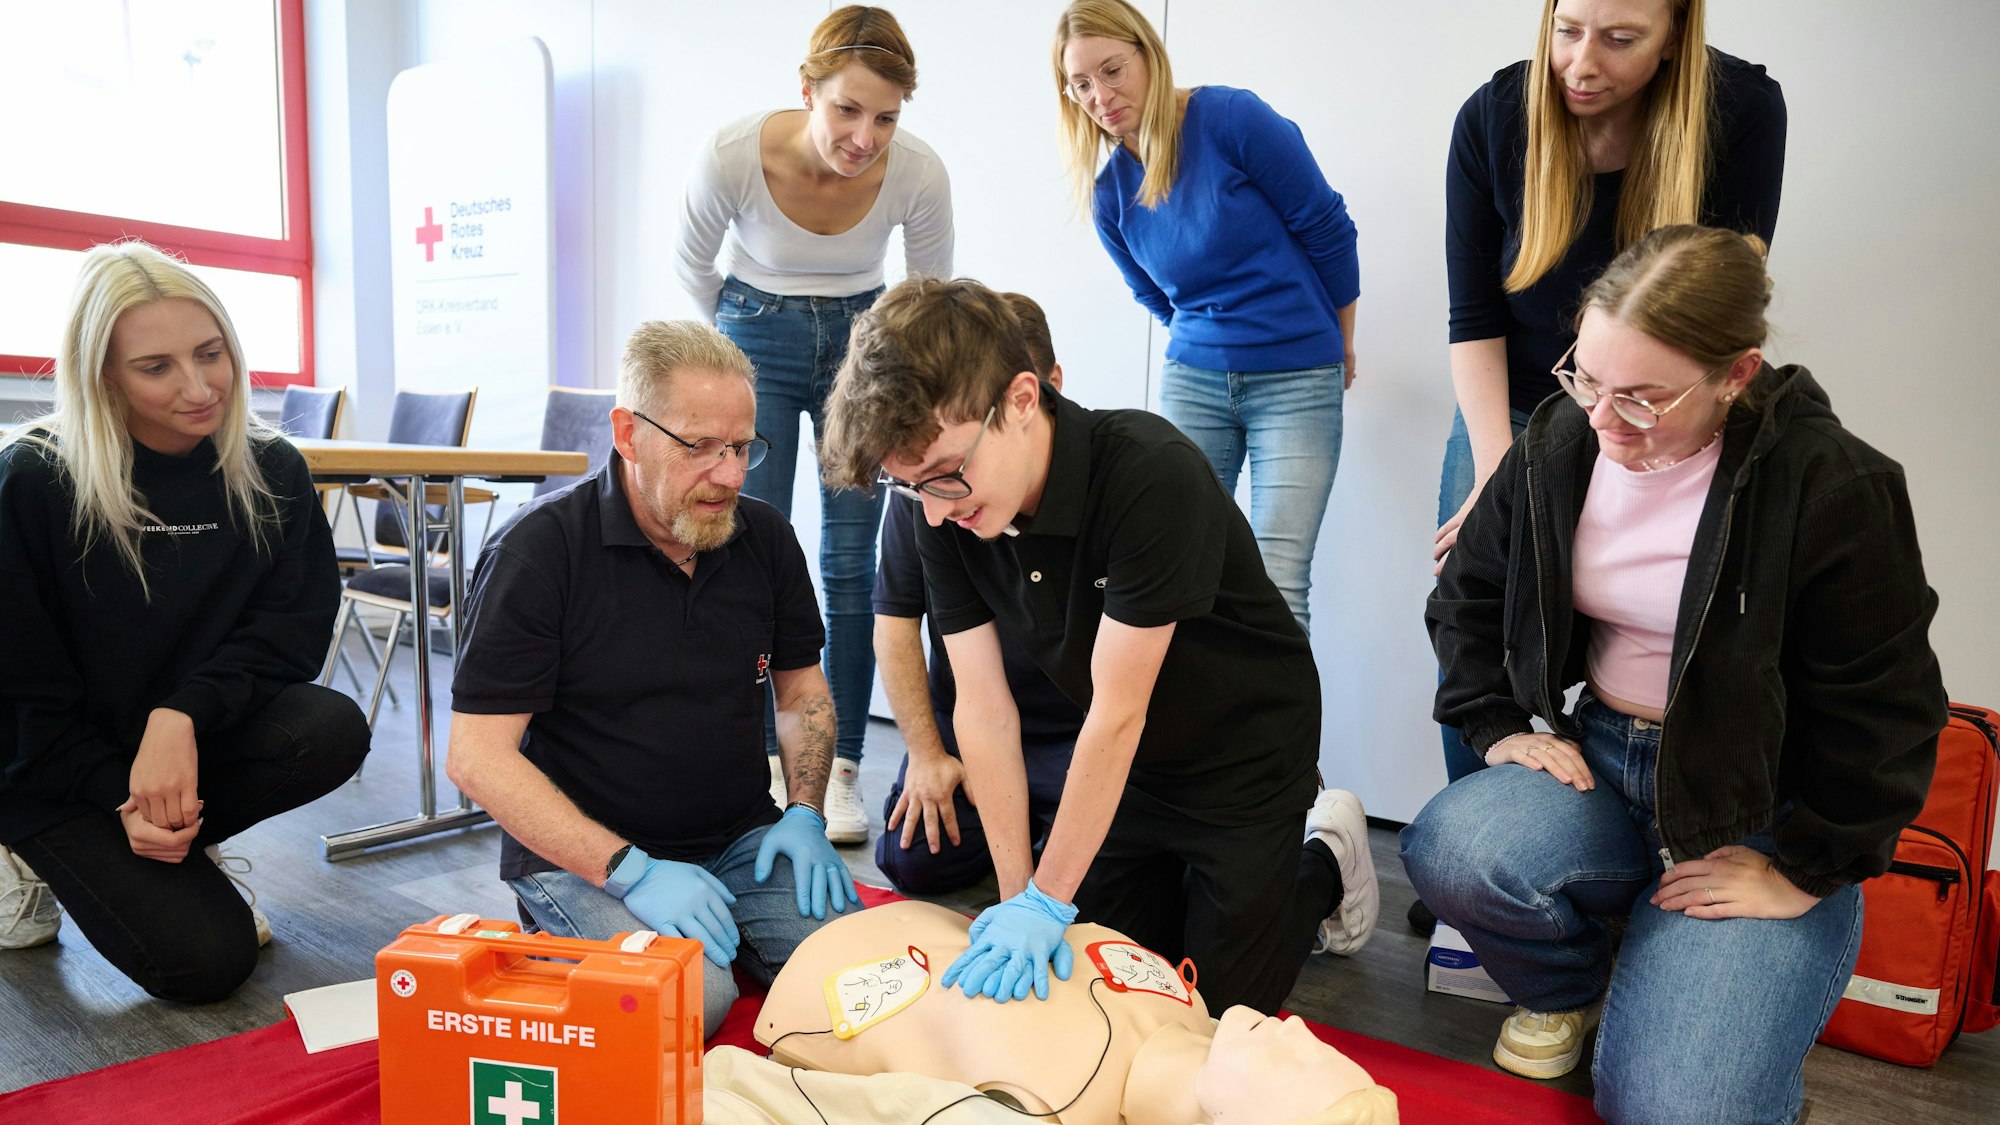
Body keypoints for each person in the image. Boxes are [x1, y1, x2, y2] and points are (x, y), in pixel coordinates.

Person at [1404, 226, 1946, 1119]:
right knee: (1453, 846)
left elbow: (1891, 711)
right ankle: (1578, 985)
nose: (1606, 419)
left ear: (1737, 374)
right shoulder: (1560, 443)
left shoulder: (1833, 484)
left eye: (1645, 399)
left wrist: (1806, 871)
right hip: (1609, 763)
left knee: (1677, 1107)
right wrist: (1495, 722)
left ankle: (1702, 991)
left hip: (1758, 810)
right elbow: (1469, 593)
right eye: (1589, 380)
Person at [821, 277, 1377, 1018]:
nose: (935, 507)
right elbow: (984, 713)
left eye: (948, 474)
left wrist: (1049, 897)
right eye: (910, 486)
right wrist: (1022, 896)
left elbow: (1118, 711)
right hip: (1136, 770)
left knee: (1210, 1007)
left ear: (1021, 400)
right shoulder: (941, 511)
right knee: (1101, 984)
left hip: (1243, 753)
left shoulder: (1150, 473)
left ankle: (1326, 858)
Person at [445, 320, 861, 1036]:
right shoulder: (540, 552)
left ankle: (686, 937)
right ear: (627, 433)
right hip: (586, 852)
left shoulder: (764, 538)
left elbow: (801, 690)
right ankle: (564, 939)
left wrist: (804, 811)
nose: (730, 473)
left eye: (740, 447)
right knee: (690, 1000)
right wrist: (629, 869)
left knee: (856, 975)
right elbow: (476, 757)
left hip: (738, 838)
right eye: (699, 445)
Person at [0, 241, 369, 1002]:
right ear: (103, 372)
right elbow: (21, 695)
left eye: (211, 353)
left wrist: (181, 716)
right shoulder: (33, 480)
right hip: (49, 764)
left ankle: (175, 834)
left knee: (327, 726)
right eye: (156, 366)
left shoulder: (271, 469)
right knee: (205, 963)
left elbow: (289, 633)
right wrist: (119, 790)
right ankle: (23, 851)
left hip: (179, 741)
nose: (200, 387)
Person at [1433, 0, 1785, 785]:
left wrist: (1642, 424)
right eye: (1567, 31)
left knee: (1664, 623)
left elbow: (1722, 301)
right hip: (1519, 406)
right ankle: (1482, 839)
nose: (1582, 65)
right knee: (1481, 626)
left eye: (1622, 40)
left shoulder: (1743, 111)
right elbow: (1473, 319)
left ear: (1672, 39)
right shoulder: (1494, 118)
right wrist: (1500, 469)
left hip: (1664, 416)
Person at [676, 4, 954, 844]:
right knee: (747, 545)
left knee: (848, 562)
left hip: (865, 338)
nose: (864, 136)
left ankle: (837, 771)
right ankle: (760, 761)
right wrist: (738, 336)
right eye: (846, 109)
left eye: (886, 117)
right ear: (807, 91)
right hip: (754, 326)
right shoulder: (732, 154)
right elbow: (694, 267)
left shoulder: (918, 172)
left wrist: (896, 375)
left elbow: (928, 297)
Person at [1054, 0, 1359, 630]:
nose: (1101, 95)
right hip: (1194, 382)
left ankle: (1277, 731)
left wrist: (1341, 342)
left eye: (1112, 70)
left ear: (1147, 54)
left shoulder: (1229, 118)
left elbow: (1327, 228)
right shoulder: (1111, 192)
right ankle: (1208, 727)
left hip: (1298, 376)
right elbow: (1154, 297)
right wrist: (1208, 341)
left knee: (1277, 577)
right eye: (1081, 84)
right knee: (1186, 569)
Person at [696, 899, 1398, 1124]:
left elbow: (762, 1091)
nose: (1301, 1027)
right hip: (932, 926)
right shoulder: (1196, 1012)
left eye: (1304, 1063)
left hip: (824, 992)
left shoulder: (1038, 1107)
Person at [871, 292, 1084, 895]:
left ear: (1037, 395)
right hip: (972, 723)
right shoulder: (930, 498)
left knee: (1096, 885)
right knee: (912, 861)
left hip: (1069, 732)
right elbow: (895, 623)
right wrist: (926, 753)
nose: (944, 503)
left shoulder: (1110, 475)